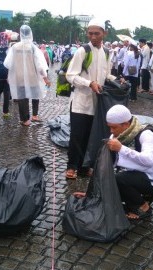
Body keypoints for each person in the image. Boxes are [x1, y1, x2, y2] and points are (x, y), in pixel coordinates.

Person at [64, 18, 117, 179]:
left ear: (104, 34)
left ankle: (84, 167)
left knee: (90, 136)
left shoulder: (107, 52)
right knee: (77, 135)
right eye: (90, 33)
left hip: (97, 104)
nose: (93, 37)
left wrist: (117, 80)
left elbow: (106, 74)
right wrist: (89, 83)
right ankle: (72, 166)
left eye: (97, 33)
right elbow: (70, 75)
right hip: (81, 102)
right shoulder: (83, 51)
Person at [105, 104, 153, 220]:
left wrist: (121, 149)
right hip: (138, 171)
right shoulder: (119, 135)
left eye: (114, 127)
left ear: (126, 124)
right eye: (110, 127)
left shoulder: (146, 134)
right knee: (109, 180)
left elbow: (148, 161)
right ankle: (132, 202)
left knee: (119, 179)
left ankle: (143, 207)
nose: (111, 131)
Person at [4, 25, 50, 126]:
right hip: (32, 76)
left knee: (22, 97)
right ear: (30, 33)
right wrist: (45, 77)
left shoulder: (14, 47)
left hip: (19, 76)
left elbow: (8, 64)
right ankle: (34, 115)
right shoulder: (33, 48)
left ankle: (24, 119)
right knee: (35, 95)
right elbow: (40, 66)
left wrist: (8, 76)